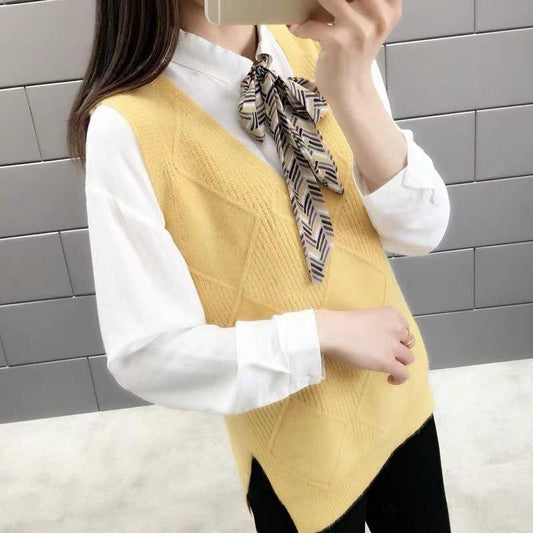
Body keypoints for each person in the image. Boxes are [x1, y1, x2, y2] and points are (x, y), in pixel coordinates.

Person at [67, 0, 452, 531]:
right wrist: (319, 334)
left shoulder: (326, 47)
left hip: (397, 385)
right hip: (295, 446)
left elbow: (420, 231)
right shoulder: (127, 126)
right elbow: (145, 353)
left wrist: (353, 86)